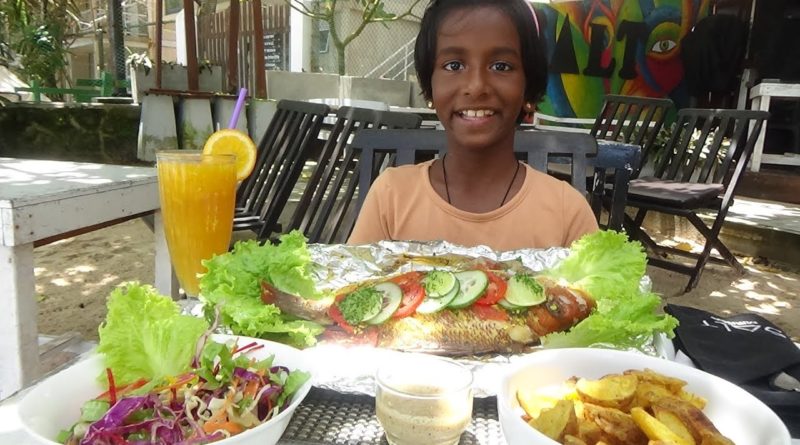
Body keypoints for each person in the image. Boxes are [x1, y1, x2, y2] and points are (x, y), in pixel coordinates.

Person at [348, 0, 598, 251]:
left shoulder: (567, 213)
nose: (476, 86)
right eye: (454, 65)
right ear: (429, 89)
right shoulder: (392, 196)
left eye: (501, 66)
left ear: (528, 91)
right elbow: (352, 287)